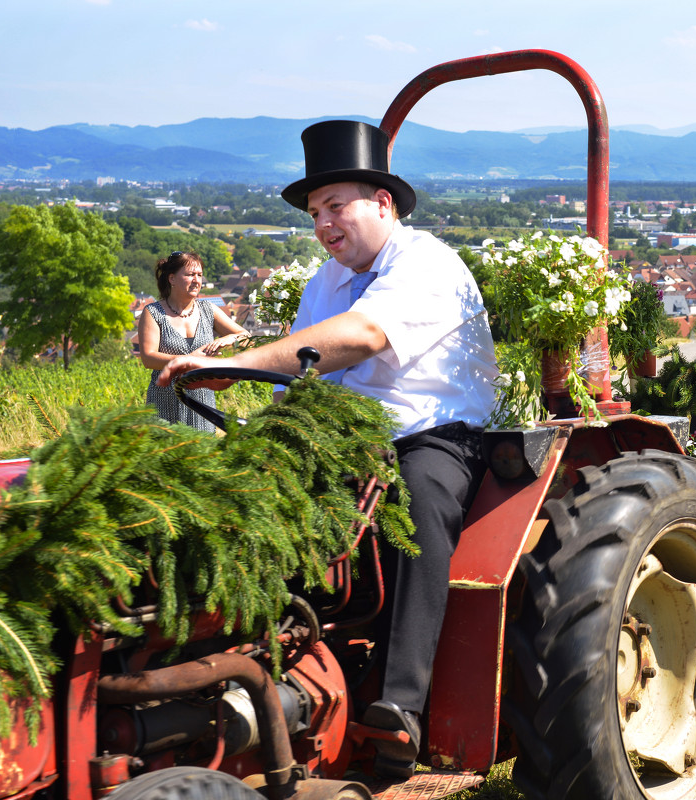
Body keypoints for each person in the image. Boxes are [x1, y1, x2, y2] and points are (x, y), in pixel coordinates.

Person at [159, 120, 498, 778]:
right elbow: (299, 375)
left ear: (382, 204)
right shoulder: (328, 279)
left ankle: (399, 708)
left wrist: (242, 362)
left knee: (416, 499)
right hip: (344, 439)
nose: (323, 223)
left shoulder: (424, 262)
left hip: (430, 434)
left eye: (335, 205)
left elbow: (362, 336)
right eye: (316, 212)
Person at [138, 251, 247, 431]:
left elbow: (246, 337)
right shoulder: (153, 313)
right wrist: (188, 360)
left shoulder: (208, 310)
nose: (196, 280)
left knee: (202, 453)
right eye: (190, 275)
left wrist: (229, 338)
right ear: (171, 279)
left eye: (199, 275)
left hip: (202, 401)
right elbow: (148, 358)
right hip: (165, 401)